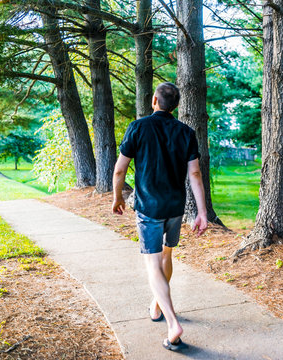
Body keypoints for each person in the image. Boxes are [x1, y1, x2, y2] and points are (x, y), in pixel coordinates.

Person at [112, 82, 208, 352]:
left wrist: (117, 197)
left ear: (154, 100)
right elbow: (195, 175)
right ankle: (156, 306)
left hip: (149, 209)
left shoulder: (138, 127)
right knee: (166, 256)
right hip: (175, 208)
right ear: (175, 106)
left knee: (152, 264)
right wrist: (201, 212)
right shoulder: (186, 132)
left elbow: (120, 171)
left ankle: (173, 323)